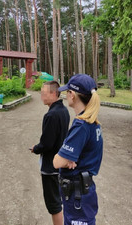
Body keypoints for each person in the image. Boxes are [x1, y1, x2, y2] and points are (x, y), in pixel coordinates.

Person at [53, 74, 103, 225]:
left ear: (72, 95)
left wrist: (66, 157)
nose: (66, 95)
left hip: (77, 195)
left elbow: (57, 162)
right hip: (82, 192)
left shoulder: (81, 125)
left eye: (67, 92)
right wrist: (69, 157)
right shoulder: (93, 122)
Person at [31, 81, 70, 225]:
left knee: (54, 204)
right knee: (58, 200)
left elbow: (46, 144)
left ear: (54, 94)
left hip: (50, 166)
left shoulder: (51, 115)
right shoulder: (63, 110)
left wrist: (36, 148)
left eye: (43, 93)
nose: (41, 96)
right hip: (60, 162)